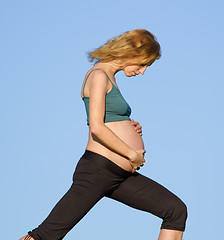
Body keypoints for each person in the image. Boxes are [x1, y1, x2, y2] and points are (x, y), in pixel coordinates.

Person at [20, 29, 187, 240]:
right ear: (130, 53)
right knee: (44, 235)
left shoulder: (109, 77)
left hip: (118, 175)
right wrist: (131, 153)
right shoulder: (98, 75)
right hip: (97, 171)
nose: (143, 71)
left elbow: (107, 119)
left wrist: (127, 125)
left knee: (175, 210)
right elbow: (97, 127)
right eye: (143, 64)